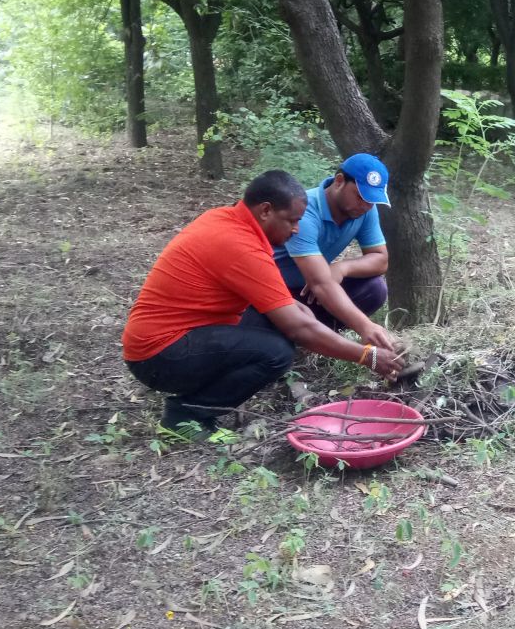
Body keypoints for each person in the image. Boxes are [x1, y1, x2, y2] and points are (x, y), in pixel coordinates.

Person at [122, 169, 404, 433]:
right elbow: (299, 329)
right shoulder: (238, 244)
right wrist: (367, 355)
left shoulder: (229, 221)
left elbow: (281, 304)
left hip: (180, 335)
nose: (296, 229)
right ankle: (185, 416)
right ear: (266, 210)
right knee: (276, 352)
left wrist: (295, 308)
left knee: (279, 326)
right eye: (291, 221)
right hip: (158, 355)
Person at [273, 153, 395, 349]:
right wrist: (365, 327)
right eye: (361, 196)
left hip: (313, 289)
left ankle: (314, 339)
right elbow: (320, 284)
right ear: (339, 181)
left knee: (374, 289)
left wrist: (341, 268)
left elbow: (381, 260)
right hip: (277, 293)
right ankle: (296, 338)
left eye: (372, 200)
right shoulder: (304, 212)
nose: (366, 205)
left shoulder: (366, 211)